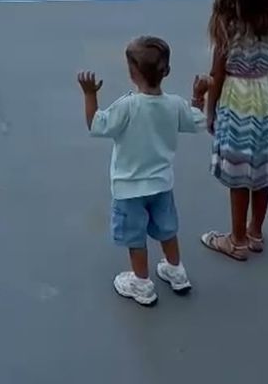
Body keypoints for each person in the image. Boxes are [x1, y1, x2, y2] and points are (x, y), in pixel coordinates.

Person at [79, 36, 205, 306]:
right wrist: (198, 96)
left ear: (131, 73)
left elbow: (96, 125)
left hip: (129, 188)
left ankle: (142, 283)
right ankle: (176, 270)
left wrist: (90, 94)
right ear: (166, 72)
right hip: (161, 184)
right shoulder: (174, 104)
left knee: (135, 237)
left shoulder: (127, 106)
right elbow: (197, 120)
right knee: (167, 229)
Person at [194, 0, 268, 260]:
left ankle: (236, 240)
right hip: (265, 95)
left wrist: (210, 109)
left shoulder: (225, 22)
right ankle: (256, 232)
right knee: (261, 168)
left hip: (236, 97)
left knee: (238, 172)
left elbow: (218, 73)